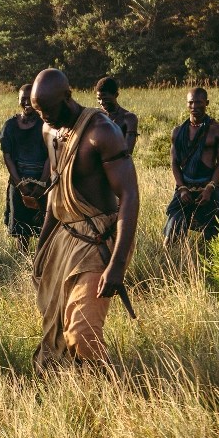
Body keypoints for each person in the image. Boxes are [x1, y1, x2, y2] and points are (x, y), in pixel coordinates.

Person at [31, 68, 139, 370]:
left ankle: (115, 387)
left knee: (82, 333)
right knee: (59, 329)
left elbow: (129, 195)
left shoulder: (101, 132)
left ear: (67, 96)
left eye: (49, 109)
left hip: (98, 239)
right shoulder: (49, 131)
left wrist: (117, 265)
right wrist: (42, 249)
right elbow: (56, 195)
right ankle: (81, 387)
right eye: (39, 111)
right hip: (64, 238)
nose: (44, 117)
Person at [163, 87, 219, 246]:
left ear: (207, 103)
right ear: (187, 104)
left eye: (198, 102)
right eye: (191, 102)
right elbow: (174, 162)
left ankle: (210, 260)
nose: (194, 106)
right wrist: (182, 188)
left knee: (214, 236)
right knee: (172, 233)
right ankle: (170, 260)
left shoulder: (218, 131)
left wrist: (210, 188)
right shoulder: (178, 132)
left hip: (208, 187)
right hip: (184, 187)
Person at [0, 84, 50, 250]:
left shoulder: (46, 124)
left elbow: (51, 156)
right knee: (21, 229)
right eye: (23, 99)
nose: (27, 102)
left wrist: (42, 183)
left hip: (44, 185)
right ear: (18, 100)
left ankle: (41, 260)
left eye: (30, 98)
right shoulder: (10, 126)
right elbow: (8, 156)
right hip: (18, 183)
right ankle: (23, 260)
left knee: (45, 227)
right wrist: (20, 184)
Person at [95, 76, 139, 154]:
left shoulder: (129, 118)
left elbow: (128, 152)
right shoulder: (96, 116)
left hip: (120, 161)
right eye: (99, 99)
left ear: (116, 95)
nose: (101, 102)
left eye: (105, 98)